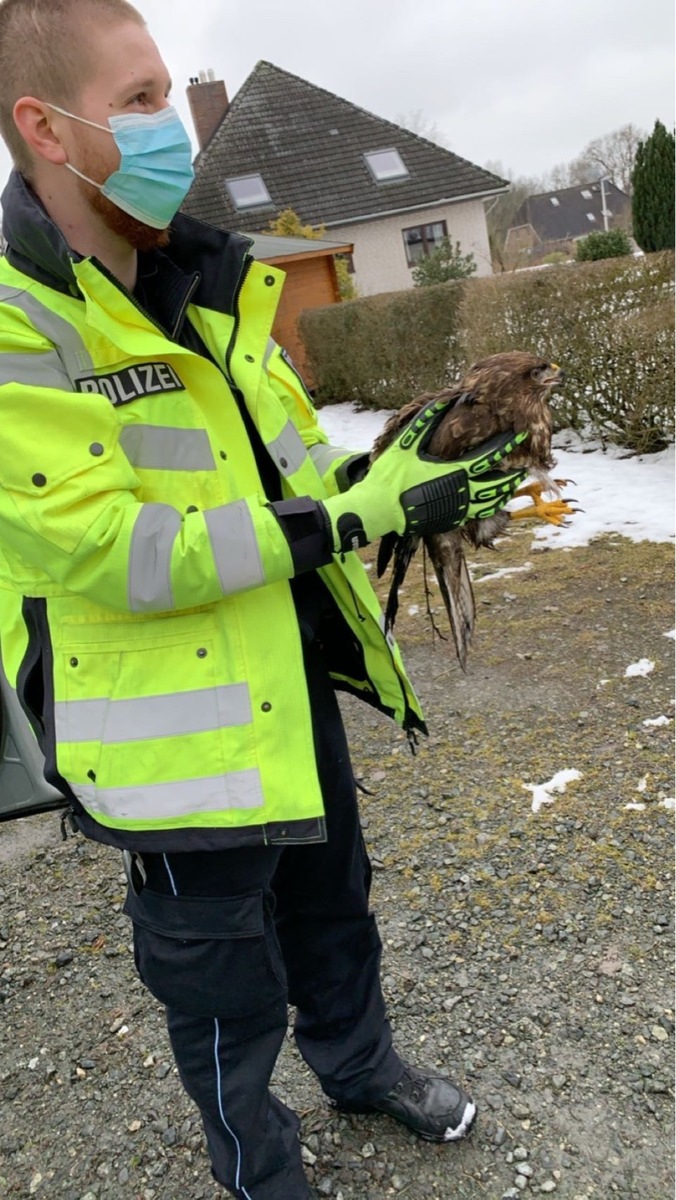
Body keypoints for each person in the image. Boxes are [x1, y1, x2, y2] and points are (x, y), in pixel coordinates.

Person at [0, 2, 527, 1196]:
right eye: (137, 101)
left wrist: (401, 478)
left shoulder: (214, 281)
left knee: (335, 907)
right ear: (45, 125)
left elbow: (292, 482)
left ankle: (359, 1063)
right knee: (218, 981)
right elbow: (116, 551)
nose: (167, 127)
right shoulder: (17, 322)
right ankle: (258, 1165)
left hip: (284, 680)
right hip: (168, 745)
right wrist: (348, 518)